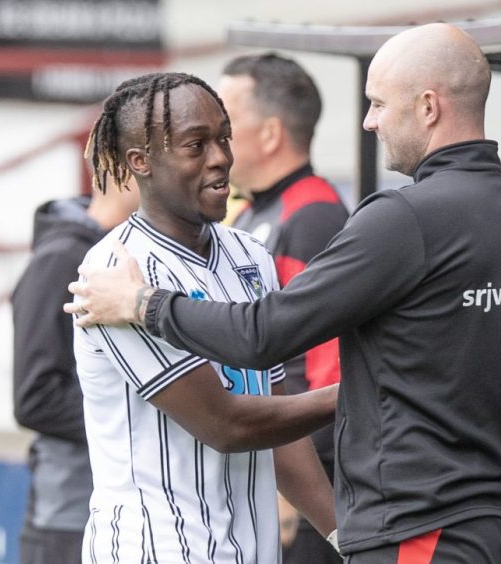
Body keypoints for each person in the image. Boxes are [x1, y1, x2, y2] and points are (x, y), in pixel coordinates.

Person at [68, 23, 501, 563]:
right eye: (199, 144)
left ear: (428, 107)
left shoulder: (373, 226)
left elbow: (264, 339)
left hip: (418, 529)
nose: (369, 121)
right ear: (139, 163)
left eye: (379, 104)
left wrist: (146, 305)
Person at [73, 72, 338, 563]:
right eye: (197, 145)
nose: (220, 158)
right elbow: (226, 424)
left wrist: (345, 537)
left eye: (224, 138)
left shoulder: (250, 254)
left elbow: (276, 414)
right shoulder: (117, 274)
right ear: (141, 162)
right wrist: (357, 391)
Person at [218, 52, 348, 564]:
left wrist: (292, 487)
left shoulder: (314, 216)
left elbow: (329, 369)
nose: (214, 139)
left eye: (225, 122)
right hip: (255, 466)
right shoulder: (249, 212)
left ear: (270, 134)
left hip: (297, 492)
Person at [12, 167, 139, 563]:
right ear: (126, 171)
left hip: (127, 511)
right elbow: (35, 397)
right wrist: (145, 417)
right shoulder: (61, 259)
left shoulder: (133, 259)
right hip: (69, 518)